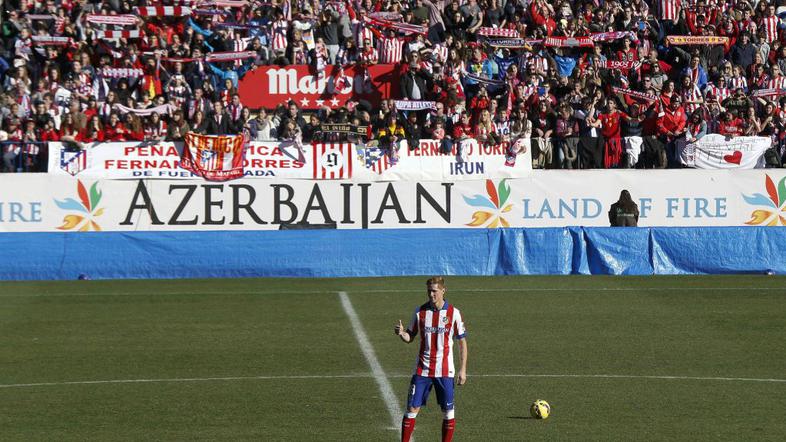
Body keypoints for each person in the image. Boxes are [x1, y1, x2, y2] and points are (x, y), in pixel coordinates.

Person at [394, 277, 468, 442]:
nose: (431, 294)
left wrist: (463, 369)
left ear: (443, 290)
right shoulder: (419, 312)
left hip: (445, 371)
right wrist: (401, 334)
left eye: (434, 291)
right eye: (429, 291)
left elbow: (462, 342)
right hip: (422, 370)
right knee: (412, 409)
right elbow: (410, 336)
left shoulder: (454, 313)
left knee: (448, 412)